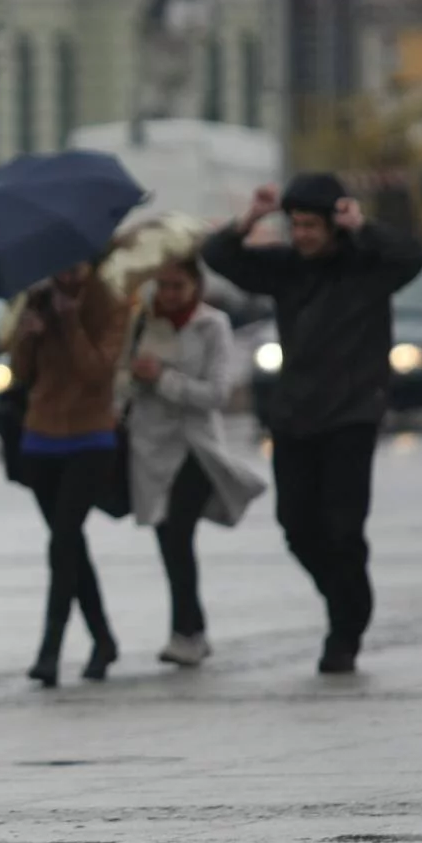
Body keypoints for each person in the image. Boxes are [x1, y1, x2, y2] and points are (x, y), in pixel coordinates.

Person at [202, 175, 422, 674]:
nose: (301, 235)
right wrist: (251, 218)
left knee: (344, 527)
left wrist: (362, 227)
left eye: (311, 225)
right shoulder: (286, 269)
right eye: (296, 224)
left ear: (334, 224)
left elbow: (413, 256)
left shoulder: (368, 265)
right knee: (297, 527)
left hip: (352, 414)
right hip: (294, 415)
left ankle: (345, 630)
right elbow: (219, 258)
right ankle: (346, 602)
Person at [118, 256, 268, 666]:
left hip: (195, 448)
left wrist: (163, 379)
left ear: (195, 287)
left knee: (178, 534)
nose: (167, 294)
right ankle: (191, 628)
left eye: (177, 286)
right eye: (161, 285)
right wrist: (135, 375)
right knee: (168, 540)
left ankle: (186, 632)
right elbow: (121, 384)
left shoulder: (212, 325)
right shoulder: (141, 322)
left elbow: (217, 394)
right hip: (150, 449)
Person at [0, 253, 134, 688]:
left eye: (75, 265)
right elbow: (20, 373)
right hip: (40, 438)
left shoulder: (109, 302)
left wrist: (72, 321)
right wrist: (28, 336)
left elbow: (98, 372)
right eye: (59, 264)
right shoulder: (36, 300)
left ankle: (50, 650)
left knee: (63, 540)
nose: (66, 273)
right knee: (68, 543)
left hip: (92, 437)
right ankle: (103, 640)